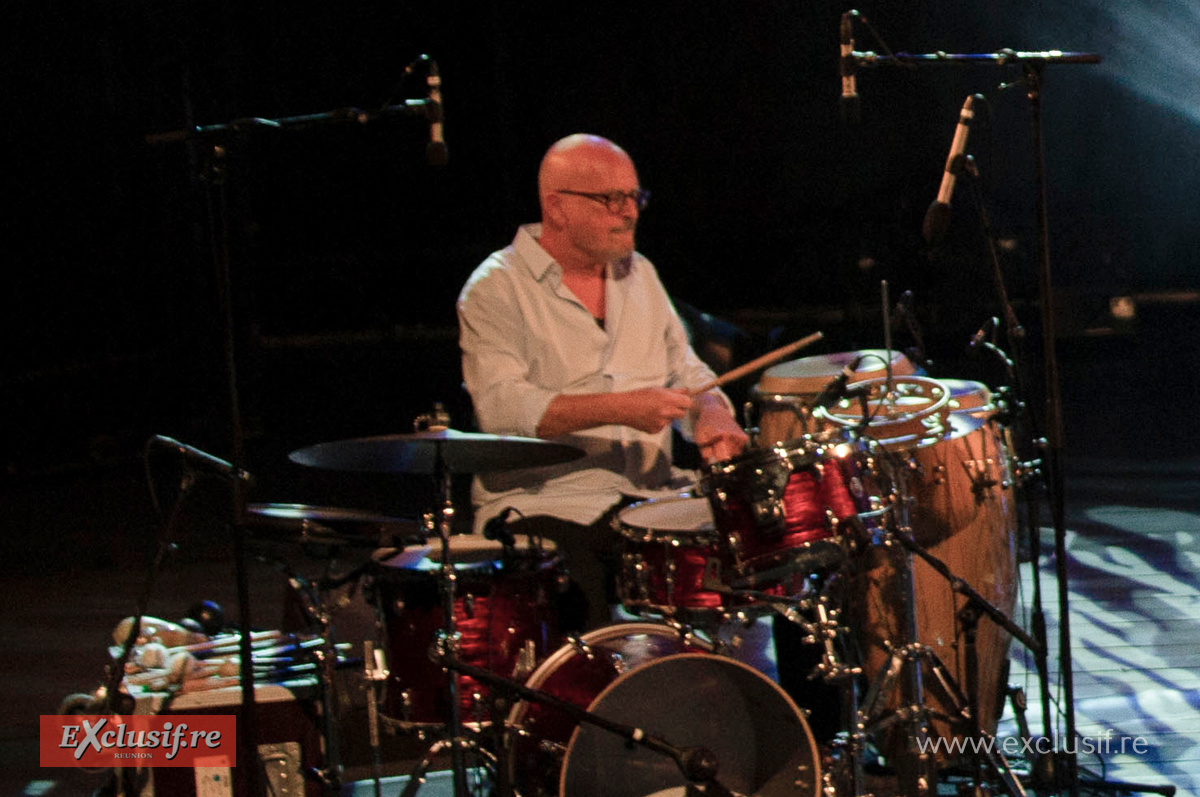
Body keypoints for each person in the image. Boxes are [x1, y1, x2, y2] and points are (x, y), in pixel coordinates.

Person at [457, 133, 748, 630]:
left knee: (766, 547)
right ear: (557, 207)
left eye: (634, 197)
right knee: (577, 592)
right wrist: (620, 407)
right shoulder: (495, 288)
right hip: (548, 504)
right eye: (611, 199)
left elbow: (689, 376)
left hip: (650, 497)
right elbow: (503, 408)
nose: (629, 212)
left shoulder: (642, 275)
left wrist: (714, 415)